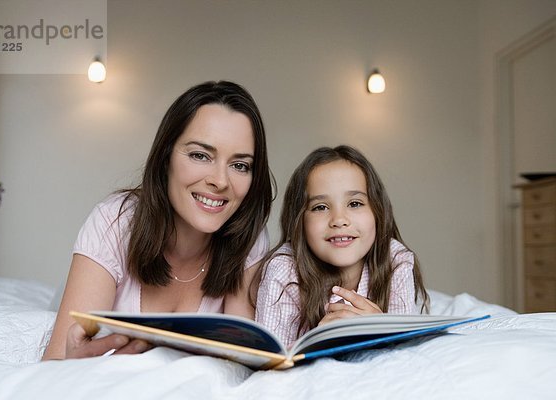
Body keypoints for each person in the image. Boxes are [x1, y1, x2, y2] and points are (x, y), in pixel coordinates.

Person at [43, 81, 274, 360]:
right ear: (166, 159)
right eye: (200, 155)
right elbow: (54, 363)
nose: (220, 181)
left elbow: (243, 360)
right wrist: (73, 365)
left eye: (240, 165)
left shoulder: (248, 240)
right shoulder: (114, 222)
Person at [254, 145, 428, 349]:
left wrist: (382, 330)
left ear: (378, 212)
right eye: (320, 207)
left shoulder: (395, 259)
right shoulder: (284, 270)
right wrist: (318, 340)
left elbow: (409, 355)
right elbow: (271, 357)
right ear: (298, 221)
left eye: (354, 203)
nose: (339, 220)